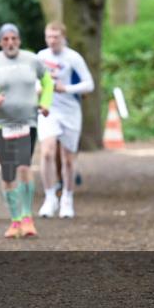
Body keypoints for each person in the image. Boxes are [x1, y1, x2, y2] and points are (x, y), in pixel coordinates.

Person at [0, 23, 53, 238]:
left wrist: (45, 102)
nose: (10, 43)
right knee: (8, 174)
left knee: (24, 167)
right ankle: (15, 220)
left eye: (13, 38)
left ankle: (28, 218)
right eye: (5, 39)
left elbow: (47, 81)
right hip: (2, 124)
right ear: (0, 42)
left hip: (28, 122)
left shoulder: (32, 60)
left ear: (19, 40)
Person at [36, 22, 94, 219]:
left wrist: (66, 88)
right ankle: (49, 196)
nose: (52, 40)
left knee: (68, 159)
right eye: (49, 37)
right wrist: (38, 88)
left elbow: (89, 84)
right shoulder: (41, 57)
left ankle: (67, 198)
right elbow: (33, 79)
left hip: (70, 111)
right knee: (46, 152)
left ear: (63, 38)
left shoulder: (73, 57)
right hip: (48, 109)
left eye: (56, 37)